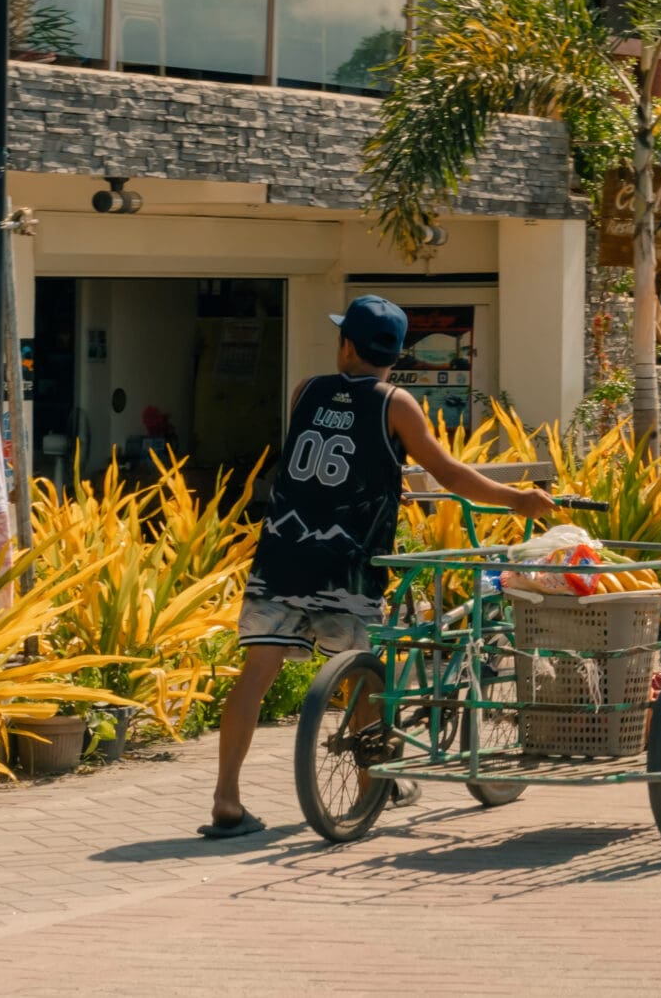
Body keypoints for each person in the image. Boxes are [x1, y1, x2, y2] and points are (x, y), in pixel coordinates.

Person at [201, 296, 554, 840]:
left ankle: (226, 799)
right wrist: (517, 499)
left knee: (256, 674)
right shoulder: (396, 403)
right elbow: (448, 473)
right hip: (348, 564)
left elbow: (327, 462)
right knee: (362, 679)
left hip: (284, 553)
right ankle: (369, 791)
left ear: (347, 345)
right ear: (393, 352)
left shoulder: (307, 390)